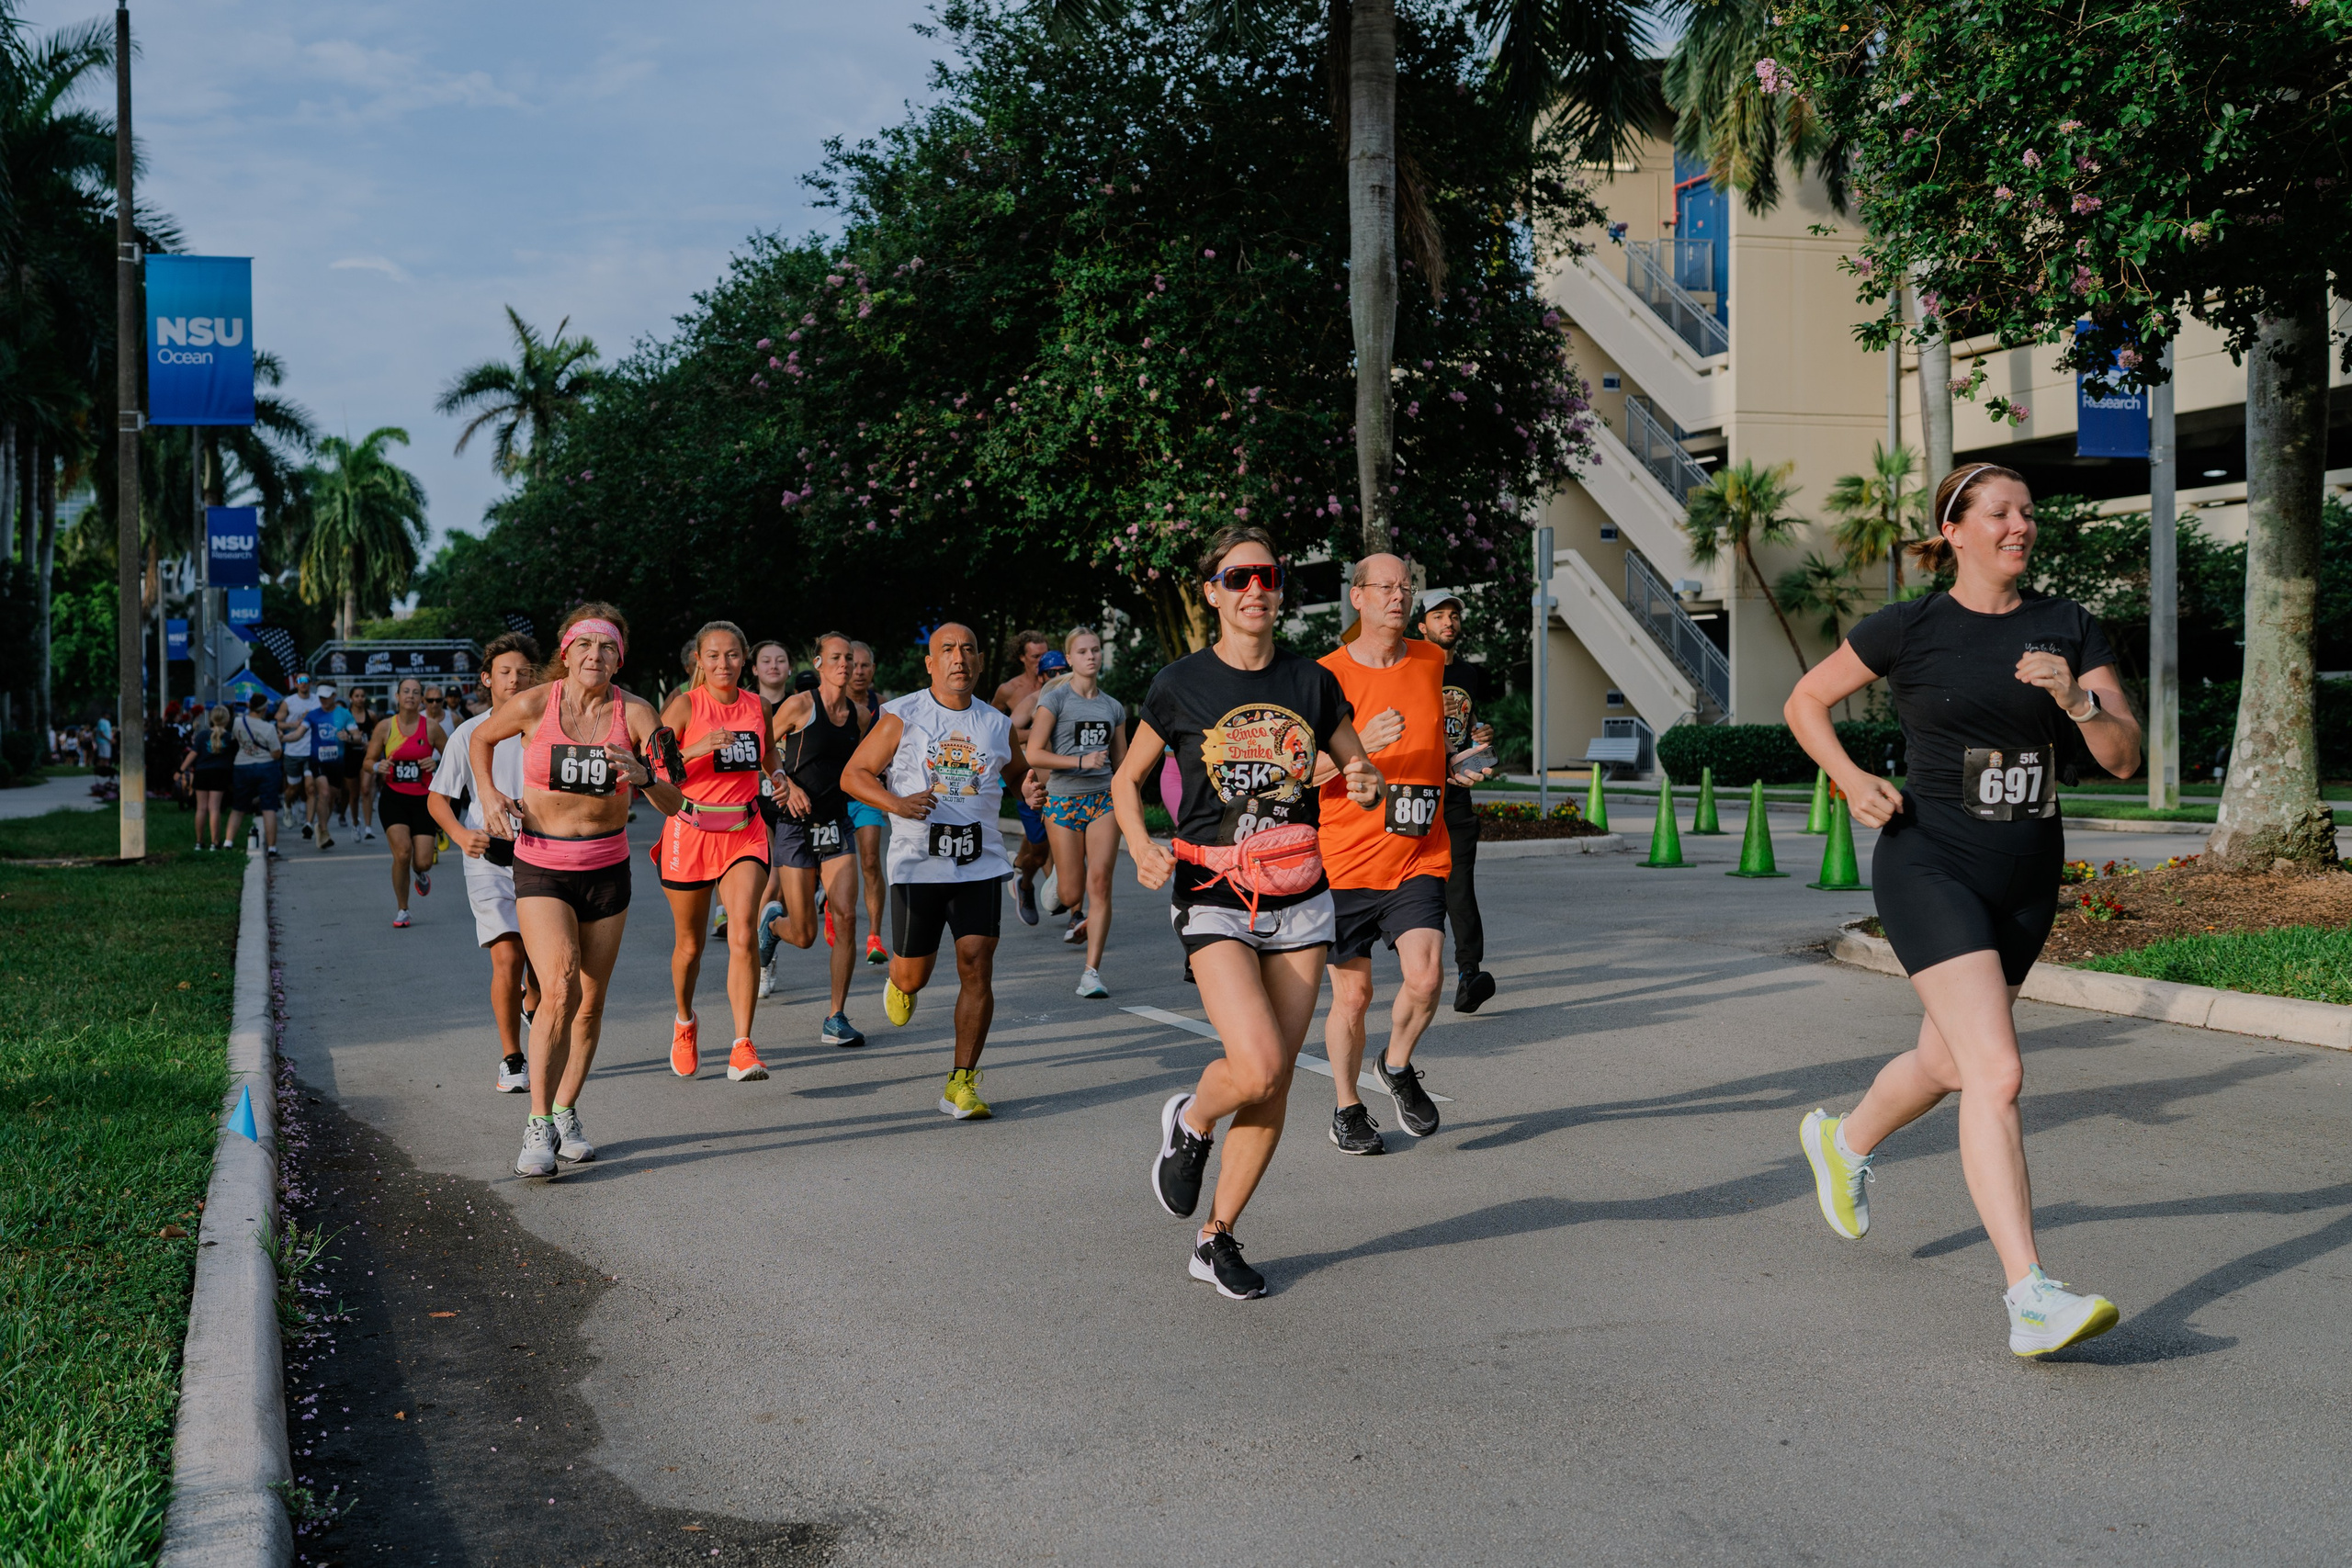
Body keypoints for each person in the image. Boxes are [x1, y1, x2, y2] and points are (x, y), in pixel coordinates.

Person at [1787, 463, 2141, 1359]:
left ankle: (1844, 1140)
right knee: (1997, 1071)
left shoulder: (2068, 625)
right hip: (1929, 860)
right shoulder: (1910, 626)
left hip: (2026, 871)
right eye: (1999, 512)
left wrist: (2076, 699)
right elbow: (1805, 699)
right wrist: (1850, 778)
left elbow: (2123, 756)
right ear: (1954, 530)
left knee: (1947, 1061)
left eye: (2027, 512)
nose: (2019, 525)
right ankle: (2030, 1295)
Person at [1111, 525, 1384, 1299]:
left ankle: (1216, 1236)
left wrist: (1366, 782)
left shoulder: (1312, 681)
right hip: (1214, 894)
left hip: (1300, 896)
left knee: (1274, 1083)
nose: (1256, 588)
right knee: (1258, 1061)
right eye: (1239, 578)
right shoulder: (1179, 683)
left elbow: (1358, 765)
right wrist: (1139, 844)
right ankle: (1192, 1119)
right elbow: (1127, 781)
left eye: (1269, 575)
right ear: (1213, 592)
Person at [471, 604, 684, 1179]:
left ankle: (566, 1109)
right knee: (560, 984)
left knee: (590, 1001)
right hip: (542, 864)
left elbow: (675, 799)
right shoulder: (534, 704)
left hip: (607, 868)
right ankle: (538, 1122)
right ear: (566, 653)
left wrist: (645, 777)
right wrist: (489, 795)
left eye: (607, 647)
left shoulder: (637, 714)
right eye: (585, 645)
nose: (596, 655)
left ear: (620, 658)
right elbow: (481, 739)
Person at [1314, 557, 1492, 1156]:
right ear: (1358, 596)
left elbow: (1432, 737)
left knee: (1427, 975)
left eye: (1406, 586)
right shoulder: (1326, 675)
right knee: (1353, 997)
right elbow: (1298, 771)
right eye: (1386, 587)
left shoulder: (1431, 660)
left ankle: (1395, 1064)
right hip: (1344, 859)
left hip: (1417, 850)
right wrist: (1360, 747)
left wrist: (1457, 764)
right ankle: (1347, 1108)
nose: (1399, 595)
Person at [842, 622, 1023, 1119]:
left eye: (968, 649)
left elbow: (1018, 773)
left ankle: (961, 1082)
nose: (958, 657)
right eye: (947, 649)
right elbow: (853, 775)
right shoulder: (902, 716)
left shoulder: (997, 724)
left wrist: (1029, 788)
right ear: (930, 663)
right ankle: (900, 982)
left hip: (979, 860)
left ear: (979, 662)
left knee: (977, 962)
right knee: (913, 975)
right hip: (918, 863)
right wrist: (897, 804)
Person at [654, 621, 777, 1083]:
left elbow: (768, 754)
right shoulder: (685, 706)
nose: (723, 663)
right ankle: (685, 1021)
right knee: (690, 946)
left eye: (731, 655)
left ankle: (742, 1046)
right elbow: (655, 769)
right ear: (699, 661)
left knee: (742, 931)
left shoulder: (759, 706)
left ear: (744, 658)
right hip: (690, 830)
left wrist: (779, 778)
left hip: (745, 830)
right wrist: (698, 747)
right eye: (713, 655)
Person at [428, 632, 547, 1094]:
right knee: (508, 956)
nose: (515, 679)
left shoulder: (549, 729)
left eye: (524, 672)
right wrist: (461, 836)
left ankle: (532, 1003)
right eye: (505, 672)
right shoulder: (469, 733)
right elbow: (438, 799)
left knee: (542, 966)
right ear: (487, 679)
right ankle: (512, 1058)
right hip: (490, 859)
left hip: (545, 857)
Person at [756, 633, 873, 1046]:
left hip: (836, 823)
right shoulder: (800, 705)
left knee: (846, 917)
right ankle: (773, 926)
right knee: (805, 934)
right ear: (819, 663)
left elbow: (865, 765)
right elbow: (762, 748)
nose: (845, 665)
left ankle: (835, 1017)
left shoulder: (860, 715)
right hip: (795, 824)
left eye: (849, 658)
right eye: (836, 658)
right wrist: (785, 784)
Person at [1023, 630, 1127, 998]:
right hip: (1063, 801)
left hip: (1102, 800)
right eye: (1082, 651)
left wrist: (1132, 807)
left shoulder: (1113, 707)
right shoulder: (1055, 700)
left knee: (1100, 884)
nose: (1091, 656)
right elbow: (1034, 752)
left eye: (1095, 650)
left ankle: (1091, 973)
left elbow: (1122, 764)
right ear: (1069, 658)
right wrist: (1080, 761)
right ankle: (1061, 881)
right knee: (1070, 894)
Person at [1417, 592, 1500, 1013]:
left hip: (1455, 795)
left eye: (1453, 615)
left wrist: (1482, 734)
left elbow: (1468, 724)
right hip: (1414, 795)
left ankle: (1469, 973)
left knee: (1460, 886)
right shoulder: (1410, 669)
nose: (1448, 621)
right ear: (1422, 627)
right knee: (1407, 888)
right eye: (1438, 616)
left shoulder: (1467, 673)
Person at [367, 677, 447, 929]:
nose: (410, 696)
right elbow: (367, 762)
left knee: (423, 861)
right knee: (402, 853)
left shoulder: (431, 727)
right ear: (398, 696)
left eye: (415, 692)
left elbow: (454, 758)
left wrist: (436, 763)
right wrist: (378, 766)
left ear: (421, 699)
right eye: (406, 691)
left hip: (424, 800)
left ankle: (420, 872)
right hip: (394, 798)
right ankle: (403, 909)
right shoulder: (385, 727)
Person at [990, 629, 1054, 926]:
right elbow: (995, 727)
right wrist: (1037, 733)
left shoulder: (1058, 682)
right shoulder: (1010, 690)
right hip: (1025, 775)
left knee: (1048, 842)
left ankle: (1069, 905)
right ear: (1022, 658)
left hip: (1059, 775)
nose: (1041, 660)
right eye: (1035, 656)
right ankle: (1025, 876)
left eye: (1045, 654)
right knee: (1041, 846)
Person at [844, 640, 890, 966]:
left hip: (867, 795)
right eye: (853, 666)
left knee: (871, 861)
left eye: (865, 666)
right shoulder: (829, 705)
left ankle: (875, 936)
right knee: (835, 865)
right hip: (832, 797)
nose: (858, 672)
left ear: (873, 669)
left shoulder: (885, 707)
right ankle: (832, 905)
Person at [224, 693, 284, 858]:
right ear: (264, 709)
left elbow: (234, 739)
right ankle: (272, 848)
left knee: (238, 807)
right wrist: (279, 740)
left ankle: (228, 842)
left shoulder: (237, 722)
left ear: (249, 706)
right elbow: (276, 754)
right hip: (266, 767)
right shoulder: (269, 728)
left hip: (242, 766)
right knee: (268, 808)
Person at [183, 705, 236, 851]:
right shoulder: (230, 737)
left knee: (201, 808)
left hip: (202, 773)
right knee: (214, 808)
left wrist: (181, 770)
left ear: (212, 718)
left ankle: (199, 842)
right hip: (220, 774)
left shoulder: (202, 735)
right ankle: (215, 842)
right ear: (227, 719)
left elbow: (193, 754)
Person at [299, 683, 345, 850]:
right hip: (317, 760)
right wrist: (283, 738)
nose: (323, 700)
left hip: (337, 762)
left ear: (334, 696)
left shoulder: (343, 714)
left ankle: (321, 826)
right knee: (322, 792)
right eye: (321, 697)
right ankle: (323, 831)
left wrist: (349, 736)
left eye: (326, 697)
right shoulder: (312, 715)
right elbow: (298, 733)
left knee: (331, 796)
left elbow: (355, 735)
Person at [277, 672, 321, 838]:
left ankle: (308, 822)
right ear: (295, 684)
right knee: (293, 788)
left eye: (306, 680)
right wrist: (294, 724)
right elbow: (278, 722)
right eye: (300, 681)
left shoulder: (317, 701)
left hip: (312, 751)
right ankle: (288, 806)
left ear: (311, 683)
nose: (303, 683)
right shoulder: (289, 702)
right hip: (293, 750)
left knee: (310, 788)